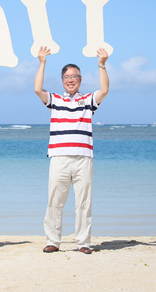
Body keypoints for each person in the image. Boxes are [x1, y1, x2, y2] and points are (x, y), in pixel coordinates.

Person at [34, 45, 109, 255]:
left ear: (80, 79)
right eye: (67, 76)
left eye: (74, 76)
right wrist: (42, 62)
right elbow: (38, 89)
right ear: (62, 80)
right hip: (59, 157)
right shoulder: (55, 100)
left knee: (83, 203)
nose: (70, 79)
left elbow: (104, 90)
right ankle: (53, 240)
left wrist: (101, 65)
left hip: (83, 157)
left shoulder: (87, 101)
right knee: (55, 201)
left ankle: (83, 242)